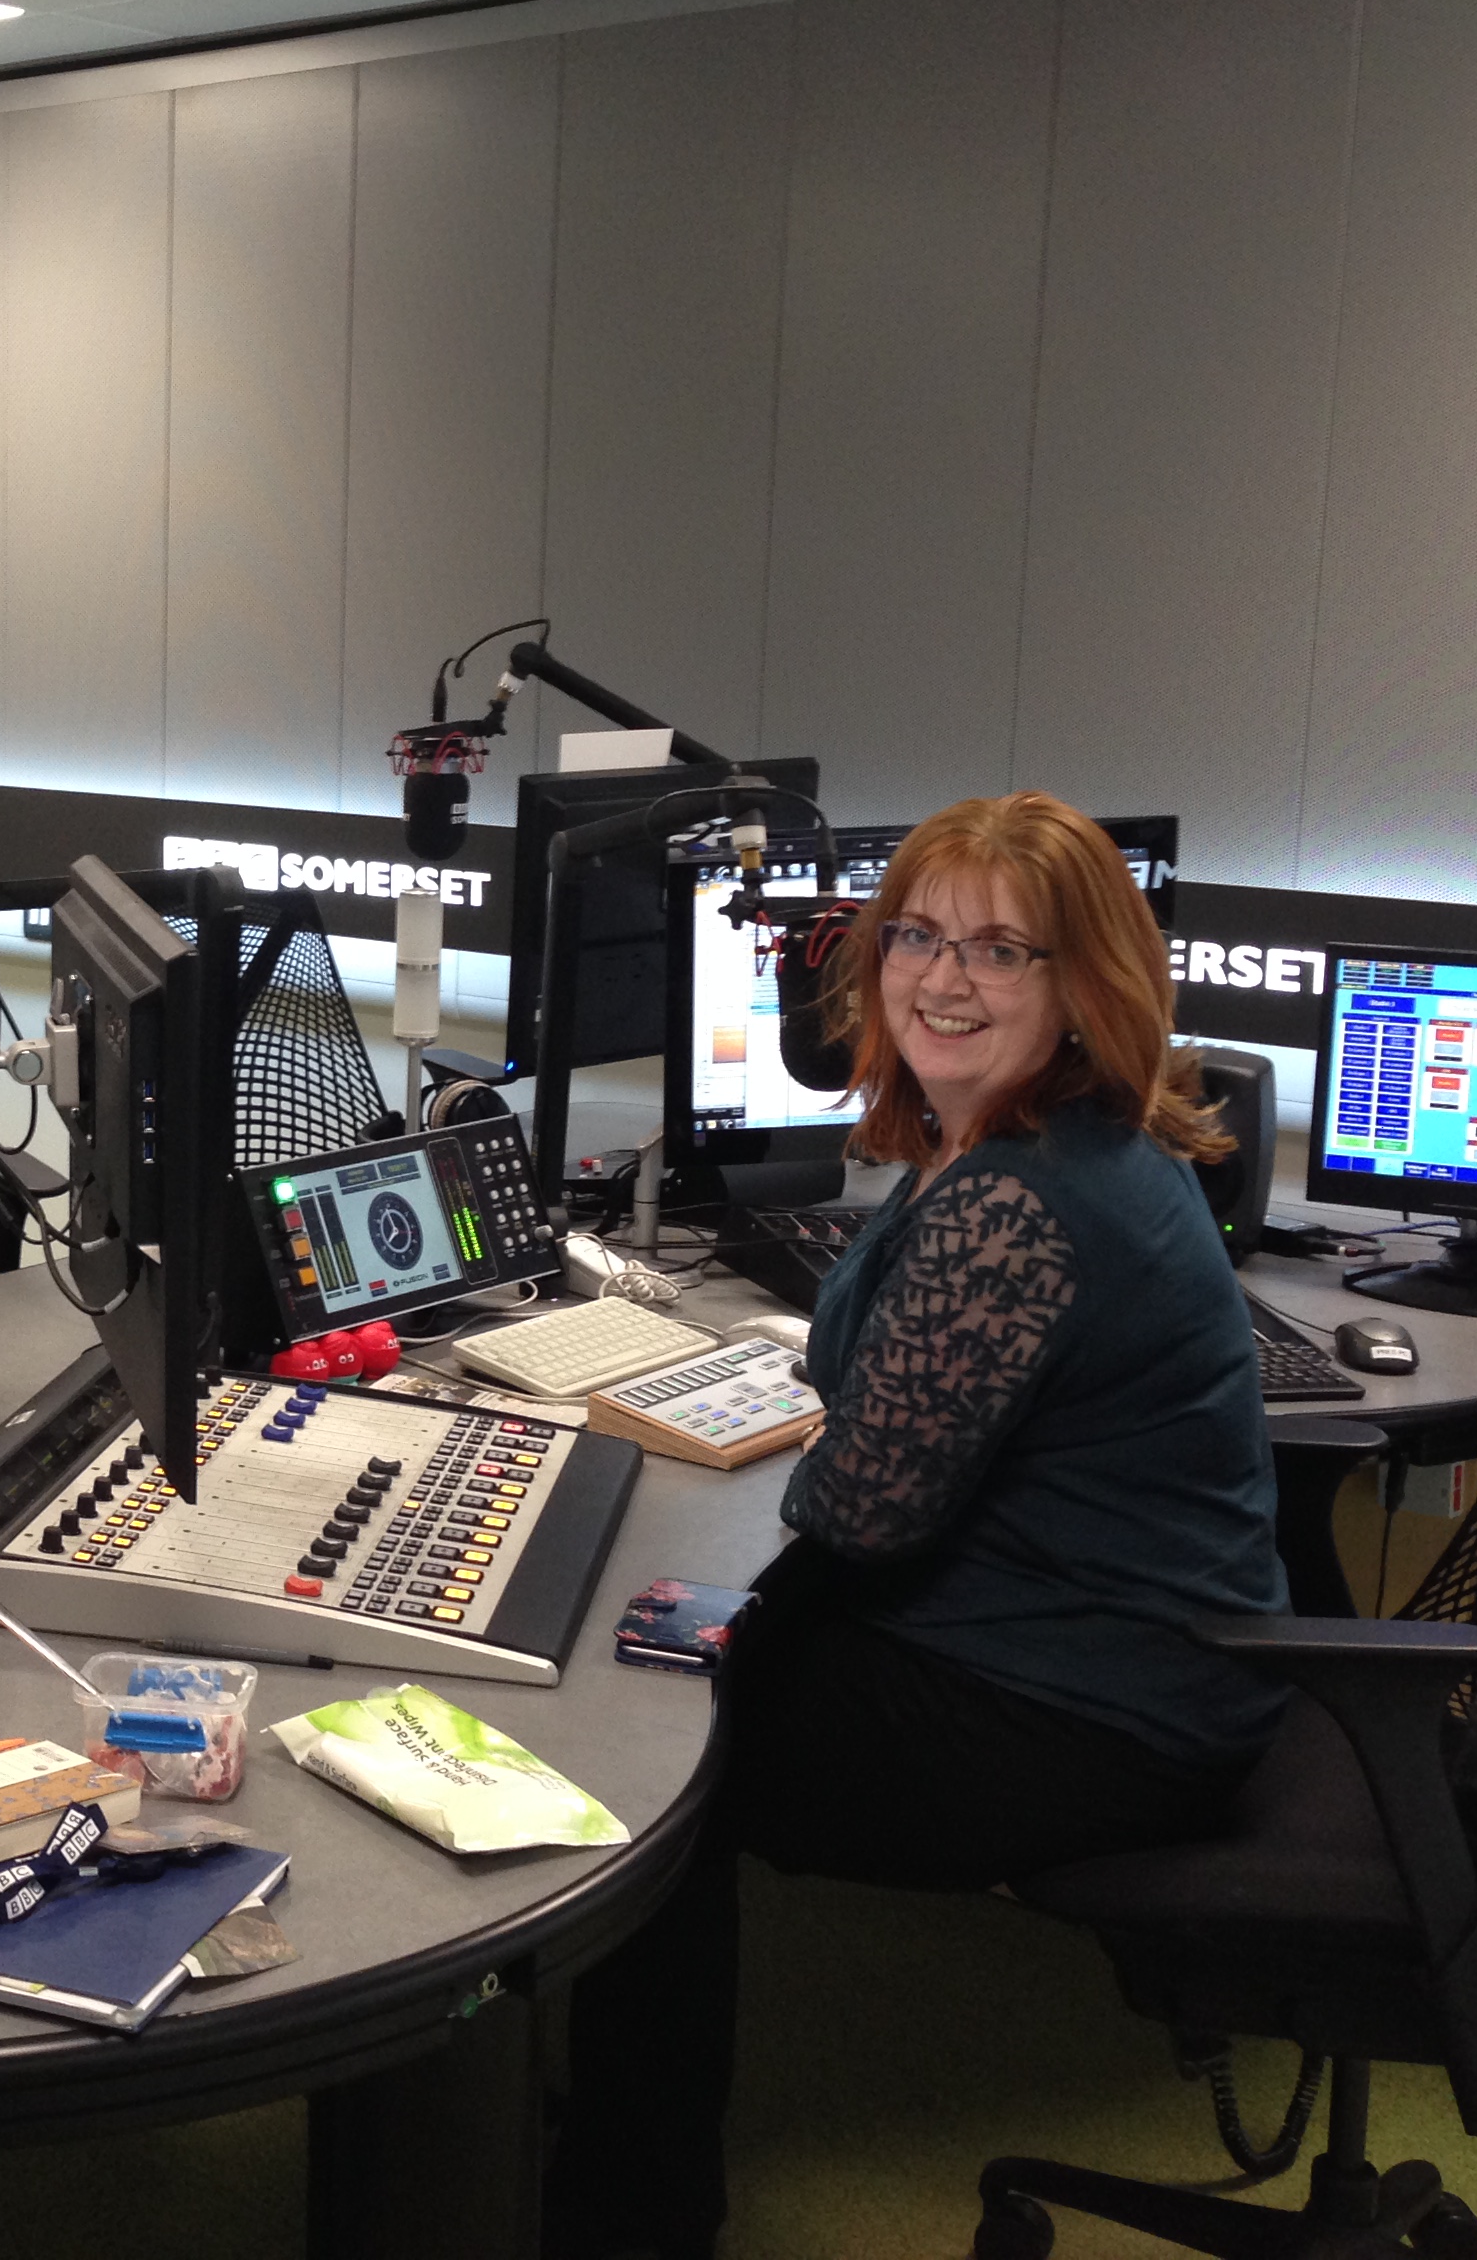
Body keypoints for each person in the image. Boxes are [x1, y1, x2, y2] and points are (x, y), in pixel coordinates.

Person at [545, 791, 1290, 2260]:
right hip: (1128, 1661)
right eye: (920, 937)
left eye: (1004, 953)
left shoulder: (1019, 1202)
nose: (943, 981)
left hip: (1079, 1713)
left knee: (638, 1742)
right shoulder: (1021, 1145)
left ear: (1086, 987)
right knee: (673, 1643)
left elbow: (866, 1516)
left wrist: (736, 1511)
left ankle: (629, 2215)